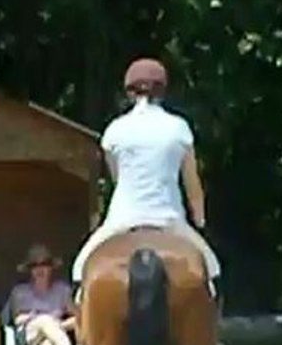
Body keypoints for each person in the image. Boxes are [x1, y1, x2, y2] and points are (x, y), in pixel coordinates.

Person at [71, 57, 221, 298]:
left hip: (122, 218)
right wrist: (200, 221)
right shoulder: (179, 128)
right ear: (163, 90)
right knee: (213, 272)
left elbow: (118, 179)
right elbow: (193, 187)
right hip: (170, 219)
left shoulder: (114, 131)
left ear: (129, 91)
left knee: (79, 272)